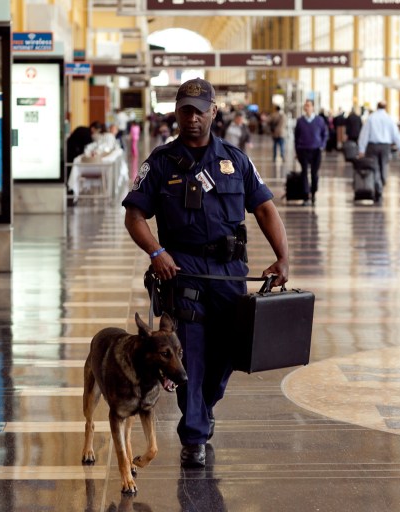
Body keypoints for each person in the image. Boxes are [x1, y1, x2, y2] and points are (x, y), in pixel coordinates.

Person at [121, 78, 289, 469]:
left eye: (200, 109)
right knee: (190, 357)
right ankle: (193, 433)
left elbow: (265, 209)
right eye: (185, 110)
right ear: (176, 113)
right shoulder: (160, 163)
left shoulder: (237, 160)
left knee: (226, 355)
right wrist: (157, 251)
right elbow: (134, 216)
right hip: (183, 271)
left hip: (230, 272)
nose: (193, 117)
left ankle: (205, 405)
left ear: (214, 111)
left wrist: (283, 257)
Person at [357, 101, 400, 200]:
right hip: (385, 147)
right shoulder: (389, 119)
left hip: (372, 146)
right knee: (384, 166)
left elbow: (364, 134)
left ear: (377, 107)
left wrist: (361, 149)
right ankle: (381, 184)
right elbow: (396, 134)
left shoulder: (371, 118)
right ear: (385, 107)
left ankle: (378, 186)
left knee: (375, 167)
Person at [294, 99, 328, 205]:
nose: (307, 107)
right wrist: (297, 150)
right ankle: (305, 195)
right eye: (305, 106)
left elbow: (325, 134)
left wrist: (322, 145)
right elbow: (296, 136)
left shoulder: (319, 120)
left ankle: (313, 193)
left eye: (309, 105)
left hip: (316, 150)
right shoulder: (300, 121)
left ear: (313, 107)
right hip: (303, 149)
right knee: (304, 172)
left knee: (314, 173)